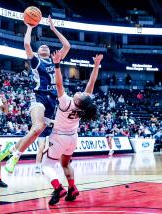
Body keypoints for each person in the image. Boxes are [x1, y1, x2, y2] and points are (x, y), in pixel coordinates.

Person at [0, 16, 70, 173]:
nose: (44, 47)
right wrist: (29, 27)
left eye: (46, 47)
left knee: (35, 133)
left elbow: (67, 45)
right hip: (39, 97)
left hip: (53, 102)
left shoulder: (55, 61)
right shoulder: (37, 61)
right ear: (38, 52)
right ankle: (14, 157)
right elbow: (26, 44)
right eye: (41, 47)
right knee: (37, 128)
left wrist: (53, 29)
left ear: (50, 52)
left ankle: (12, 147)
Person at [41, 51, 101, 205]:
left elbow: (59, 84)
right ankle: (72, 188)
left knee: (46, 165)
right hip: (72, 138)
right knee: (65, 163)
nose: (80, 92)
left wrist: (57, 65)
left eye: (81, 94)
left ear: (79, 101)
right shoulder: (84, 107)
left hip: (59, 136)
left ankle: (58, 188)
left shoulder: (67, 102)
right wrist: (96, 66)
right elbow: (91, 85)